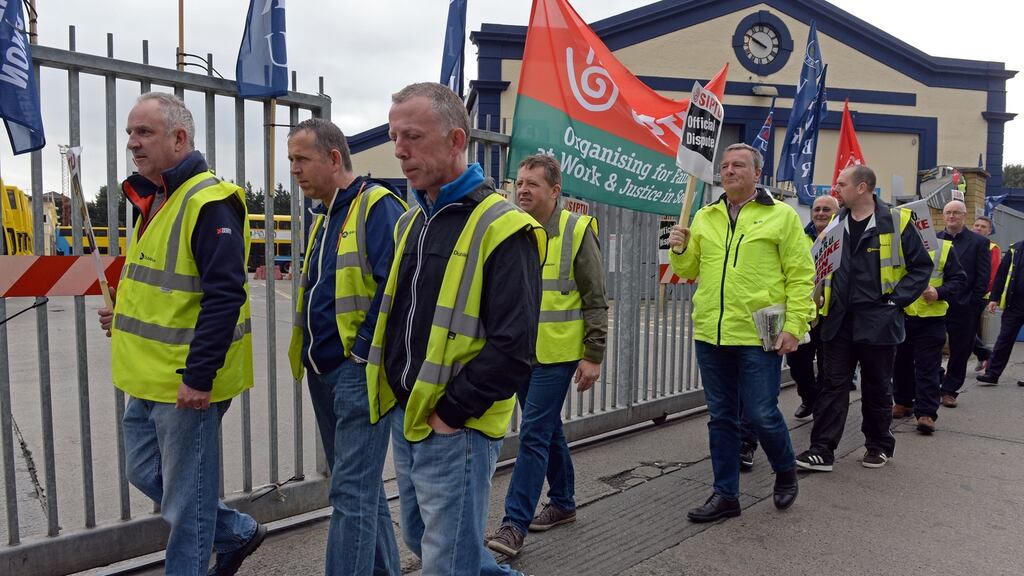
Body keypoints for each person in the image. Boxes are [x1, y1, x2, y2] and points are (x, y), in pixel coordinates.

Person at [365, 82, 543, 576]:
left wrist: (450, 413)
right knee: (429, 539)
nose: (399, 149)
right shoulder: (414, 220)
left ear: (456, 140)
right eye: (394, 135)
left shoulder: (504, 226)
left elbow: (514, 347)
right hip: (409, 413)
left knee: (446, 558)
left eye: (413, 136)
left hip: (454, 423)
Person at [97, 92, 263, 575]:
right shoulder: (156, 199)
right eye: (130, 132)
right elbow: (166, 287)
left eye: (143, 132)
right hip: (149, 379)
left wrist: (199, 376)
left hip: (186, 382)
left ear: (180, 138)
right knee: (146, 473)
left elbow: (224, 296)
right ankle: (235, 530)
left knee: (186, 506)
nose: (132, 142)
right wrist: (122, 314)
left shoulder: (208, 201)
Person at [667, 143, 814, 522]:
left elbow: (801, 276)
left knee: (762, 413)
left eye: (738, 165)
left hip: (757, 334)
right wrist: (679, 250)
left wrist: (796, 325)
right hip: (711, 334)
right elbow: (688, 270)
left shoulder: (782, 216)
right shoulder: (705, 216)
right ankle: (725, 495)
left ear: (756, 174)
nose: (729, 171)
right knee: (721, 417)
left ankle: (785, 470)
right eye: (725, 165)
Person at [285, 118, 405, 576]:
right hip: (325, 373)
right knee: (360, 489)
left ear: (334, 158)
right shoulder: (327, 215)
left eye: (302, 159)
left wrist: (358, 356)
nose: (294, 170)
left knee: (350, 494)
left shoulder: (376, 207)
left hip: (357, 372)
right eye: (291, 160)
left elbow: (395, 290)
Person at [486, 154, 608, 557]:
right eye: (519, 183)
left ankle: (513, 525)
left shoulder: (576, 230)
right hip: (519, 353)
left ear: (554, 191)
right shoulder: (512, 228)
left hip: (557, 354)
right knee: (547, 429)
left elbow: (595, 298)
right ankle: (564, 503)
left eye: (531, 184)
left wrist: (593, 354)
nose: (522, 190)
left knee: (534, 435)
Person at [795, 165, 931, 472]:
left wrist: (895, 301)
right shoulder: (834, 223)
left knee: (877, 386)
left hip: (879, 321)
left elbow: (921, 267)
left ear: (862, 188)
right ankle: (822, 450)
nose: (835, 189)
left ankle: (878, 445)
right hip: (838, 320)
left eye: (841, 184)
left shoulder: (899, 221)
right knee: (832, 386)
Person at [740, 194, 837, 471]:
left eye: (826, 209)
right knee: (800, 367)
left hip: (832, 317)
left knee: (832, 374)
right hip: (801, 316)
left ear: (836, 212)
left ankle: (822, 416)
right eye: (816, 209)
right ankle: (809, 398)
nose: (820, 213)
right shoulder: (800, 232)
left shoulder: (844, 237)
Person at [892, 237, 966, 434]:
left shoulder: (944, 247)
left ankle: (926, 413)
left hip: (932, 318)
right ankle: (903, 402)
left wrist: (939, 292)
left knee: (928, 366)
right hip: (902, 314)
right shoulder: (895, 244)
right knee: (901, 362)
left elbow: (959, 279)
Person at [937, 200, 990, 407]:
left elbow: (983, 277)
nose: (951, 216)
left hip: (965, 306)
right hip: (937, 303)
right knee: (931, 348)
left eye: (956, 213)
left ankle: (950, 391)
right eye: (948, 213)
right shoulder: (935, 240)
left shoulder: (978, 242)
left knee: (960, 351)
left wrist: (973, 303)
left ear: (964, 216)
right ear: (943, 216)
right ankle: (937, 381)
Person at [977, 240, 1024, 387]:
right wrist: (994, 298)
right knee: (1004, 338)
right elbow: (1001, 274)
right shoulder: (1015, 249)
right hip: (1015, 303)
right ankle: (992, 374)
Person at [971, 215, 1001, 372]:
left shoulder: (992, 248)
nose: (978, 228)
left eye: (983, 226)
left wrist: (983, 293)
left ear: (989, 231)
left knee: (967, 327)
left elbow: (993, 274)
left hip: (979, 295)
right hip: (961, 293)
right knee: (967, 328)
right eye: (976, 225)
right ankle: (984, 354)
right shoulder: (966, 243)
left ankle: (984, 354)